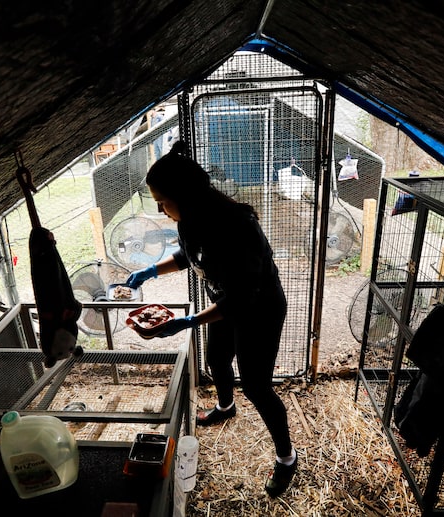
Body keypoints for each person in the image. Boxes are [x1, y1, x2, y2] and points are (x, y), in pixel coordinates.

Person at [124, 141, 297, 497]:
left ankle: (286, 458)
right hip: (224, 303)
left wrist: (186, 322)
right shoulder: (190, 220)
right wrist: (151, 271)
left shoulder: (237, 227)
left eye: (162, 199)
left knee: (256, 385)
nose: (159, 207)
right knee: (217, 358)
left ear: (183, 195)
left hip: (258, 309)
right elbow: (189, 256)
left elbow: (242, 298)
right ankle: (225, 406)